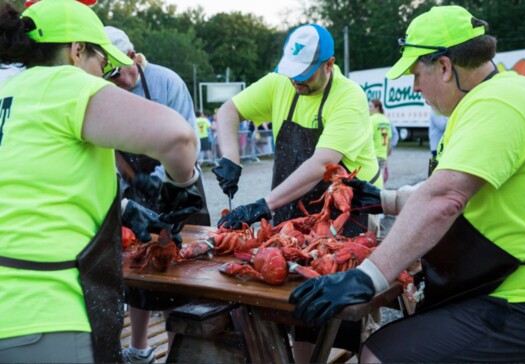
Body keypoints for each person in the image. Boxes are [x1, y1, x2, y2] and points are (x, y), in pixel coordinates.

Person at [289, 5, 525, 363]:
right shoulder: (487, 100)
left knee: (379, 354)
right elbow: (450, 189)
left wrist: (368, 277)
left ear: (444, 67)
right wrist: (385, 198)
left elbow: (445, 197)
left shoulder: (499, 102)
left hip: (523, 296)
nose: (414, 86)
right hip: (496, 281)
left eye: (416, 73)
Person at [0, 0, 202, 362]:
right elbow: (179, 138)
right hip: (47, 312)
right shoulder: (66, 83)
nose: (105, 75)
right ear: (77, 51)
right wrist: (179, 184)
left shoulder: (9, 93)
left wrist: (123, 207)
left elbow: (31, 185)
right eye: (102, 63)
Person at [213, 24, 382, 360]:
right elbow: (228, 111)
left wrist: (263, 203)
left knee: (350, 314)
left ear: (329, 64)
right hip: (291, 209)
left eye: (305, 74)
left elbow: (322, 164)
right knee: (299, 307)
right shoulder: (281, 83)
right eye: (292, 72)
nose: (296, 81)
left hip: (347, 213)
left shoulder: (349, 97)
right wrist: (230, 159)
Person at [104, 25, 209, 363]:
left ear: (134, 56)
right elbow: (107, 146)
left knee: (184, 271)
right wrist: (129, 182)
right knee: (139, 273)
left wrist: (163, 178)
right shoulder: (105, 93)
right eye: (110, 76)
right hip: (138, 190)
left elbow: (188, 141)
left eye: (120, 72)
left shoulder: (167, 82)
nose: (117, 82)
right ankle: (138, 348)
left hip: (181, 185)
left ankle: (182, 349)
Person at [368, 98, 392, 185]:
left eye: (370, 106)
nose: (368, 109)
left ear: (377, 108)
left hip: (373, 154)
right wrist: (387, 151)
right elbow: (389, 138)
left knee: (372, 179)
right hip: (383, 154)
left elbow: (369, 136)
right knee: (381, 178)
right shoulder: (386, 120)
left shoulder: (371, 119)